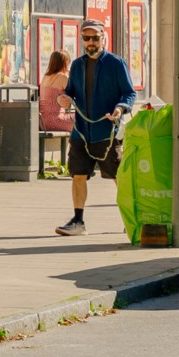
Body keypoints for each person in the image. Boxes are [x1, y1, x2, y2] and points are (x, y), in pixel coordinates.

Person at [55, 20, 133, 236]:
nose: (90, 43)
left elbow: (129, 93)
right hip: (81, 131)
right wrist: (65, 98)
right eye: (86, 38)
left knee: (119, 177)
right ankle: (78, 221)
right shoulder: (77, 65)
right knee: (78, 175)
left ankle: (131, 219)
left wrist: (120, 108)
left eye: (95, 38)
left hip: (107, 133)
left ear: (103, 37)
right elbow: (70, 91)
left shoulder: (117, 64)